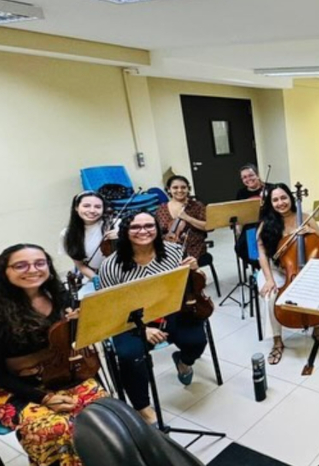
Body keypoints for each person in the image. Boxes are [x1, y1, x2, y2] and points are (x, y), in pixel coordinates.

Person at [0, 244, 107, 466]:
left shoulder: (58, 295)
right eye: (21, 265)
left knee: (103, 413)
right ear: (4, 271)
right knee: (53, 430)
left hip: (64, 373)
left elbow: (73, 342)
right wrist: (44, 398)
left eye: (40, 263)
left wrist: (80, 323)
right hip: (17, 387)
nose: (33, 269)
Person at [98, 211, 207, 425]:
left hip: (171, 310)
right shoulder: (111, 265)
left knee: (196, 341)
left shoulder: (174, 251)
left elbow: (196, 282)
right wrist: (142, 329)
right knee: (130, 357)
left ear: (157, 229)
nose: (143, 231)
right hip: (128, 319)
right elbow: (110, 307)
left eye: (149, 226)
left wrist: (196, 270)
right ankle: (143, 408)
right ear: (125, 232)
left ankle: (184, 363)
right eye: (135, 227)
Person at [257, 183, 319, 365]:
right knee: (271, 295)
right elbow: (262, 254)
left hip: (305, 268)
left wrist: (312, 231)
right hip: (277, 270)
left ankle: (318, 328)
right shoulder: (266, 224)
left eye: (284, 198)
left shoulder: (305, 218)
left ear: (291, 198)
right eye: (275, 200)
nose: (280, 202)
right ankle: (277, 340)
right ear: (270, 203)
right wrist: (269, 279)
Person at [59, 191, 116, 281]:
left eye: (97, 207)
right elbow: (80, 265)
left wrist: (121, 235)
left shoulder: (116, 224)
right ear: (76, 207)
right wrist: (96, 278)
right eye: (86, 206)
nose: (92, 210)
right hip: (95, 274)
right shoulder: (67, 234)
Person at [155, 175, 208, 259]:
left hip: (193, 246)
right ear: (169, 189)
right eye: (175, 188)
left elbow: (208, 227)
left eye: (183, 187)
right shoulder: (162, 208)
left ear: (188, 189)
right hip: (169, 246)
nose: (179, 190)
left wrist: (188, 218)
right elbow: (158, 231)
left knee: (180, 261)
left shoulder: (197, 205)